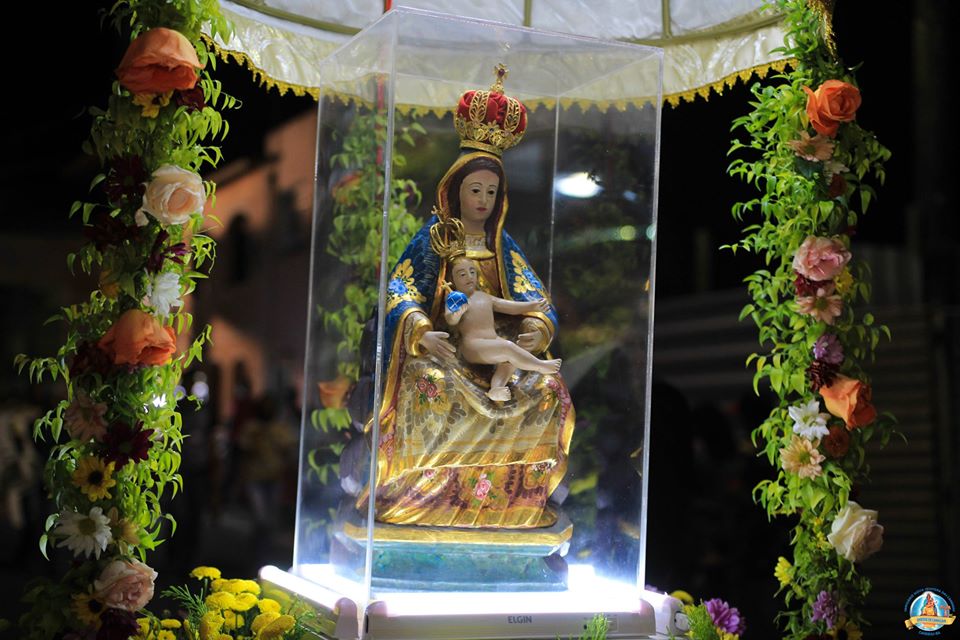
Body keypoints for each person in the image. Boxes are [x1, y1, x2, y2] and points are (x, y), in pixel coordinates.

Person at [361, 65, 575, 529]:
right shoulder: (433, 238)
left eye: (491, 192)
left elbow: (534, 297)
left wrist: (537, 329)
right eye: (475, 189)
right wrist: (421, 330)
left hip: (497, 354)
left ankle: (512, 498)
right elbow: (400, 289)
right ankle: (423, 493)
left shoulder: (503, 246)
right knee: (426, 381)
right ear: (455, 189)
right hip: (449, 353)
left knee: (547, 389)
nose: (482, 199)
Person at [431, 218, 561, 402]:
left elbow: (510, 307)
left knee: (508, 359)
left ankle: (497, 388)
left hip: (492, 341)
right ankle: (539, 365)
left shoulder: (484, 297)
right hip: (473, 346)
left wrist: (532, 306)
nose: (469, 277)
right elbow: (450, 319)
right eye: (462, 274)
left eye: (472, 272)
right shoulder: (456, 299)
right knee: (508, 348)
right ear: (452, 280)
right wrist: (456, 314)